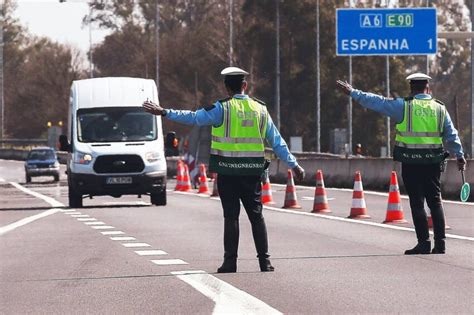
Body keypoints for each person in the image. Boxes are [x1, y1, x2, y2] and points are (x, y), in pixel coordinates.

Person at [143, 66, 305, 272]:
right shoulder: (260, 109)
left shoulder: (222, 108)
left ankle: (230, 262)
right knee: (257, 216)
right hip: (252, 173)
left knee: (231, 217)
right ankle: (265, 262)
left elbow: (193, 117)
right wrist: (295, 165)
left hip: (228, 173)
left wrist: (165, 112)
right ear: (245, 86)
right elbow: (277, 142)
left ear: (227, 88)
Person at [336, 73, 466, 255]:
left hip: (411, 162)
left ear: (412, 89)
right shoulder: (439, 108)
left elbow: (378, 102)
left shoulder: (404, 106)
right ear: (427, 89)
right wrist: (459, 156)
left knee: (417, 203)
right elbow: (452, 135)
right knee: (435, 202)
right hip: (433, 163)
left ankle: (423, 243)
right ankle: (441, 244)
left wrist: (353, 92)